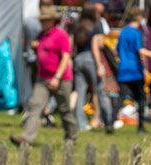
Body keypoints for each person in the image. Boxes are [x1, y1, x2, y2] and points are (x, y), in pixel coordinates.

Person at [11, 6, 77, 146]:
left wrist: (57, 77)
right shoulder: (42, 35)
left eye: (46, 20)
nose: (43, 23)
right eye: (42, 21)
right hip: (43, 78)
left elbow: (66, 57)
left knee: (65, 110)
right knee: (35, 106)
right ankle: (27, 138)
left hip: (61, 79)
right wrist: (36, 47)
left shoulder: (60, 35)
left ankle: (71, 137)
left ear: (53, 21)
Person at [111, 7, 151, 135]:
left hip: (123, 69)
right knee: (141, 99)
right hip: (134, 70)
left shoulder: (123, 32)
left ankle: (110, 124)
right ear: (139, 18)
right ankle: (141, 127)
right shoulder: (135, 32)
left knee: (121, 97)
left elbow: (115, 51)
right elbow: (141, 51)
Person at [71, 7, 111, 133]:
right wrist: (100, 65)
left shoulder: (77, 26)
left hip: (78, 59)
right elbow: (96, 47)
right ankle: (108, 121)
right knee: (100, 91)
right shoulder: (95, 27)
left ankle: (81, 124)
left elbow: (72, 45)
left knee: (80, 92)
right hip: (91, 59)